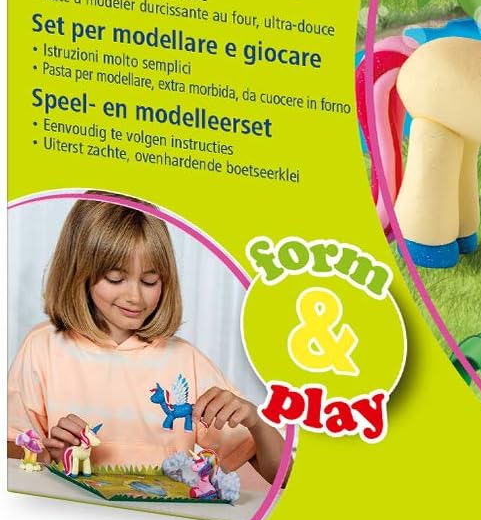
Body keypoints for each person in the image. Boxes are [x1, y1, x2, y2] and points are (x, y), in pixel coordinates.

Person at [6, 196, 285, 486]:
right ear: (79, 274)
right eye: (115, 278)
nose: (135, 297)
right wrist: (49, 454)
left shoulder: (186, 360)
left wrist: (255, 420)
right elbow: (11, 447)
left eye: (150, 281)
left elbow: (283, 474)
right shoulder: (43, 347)